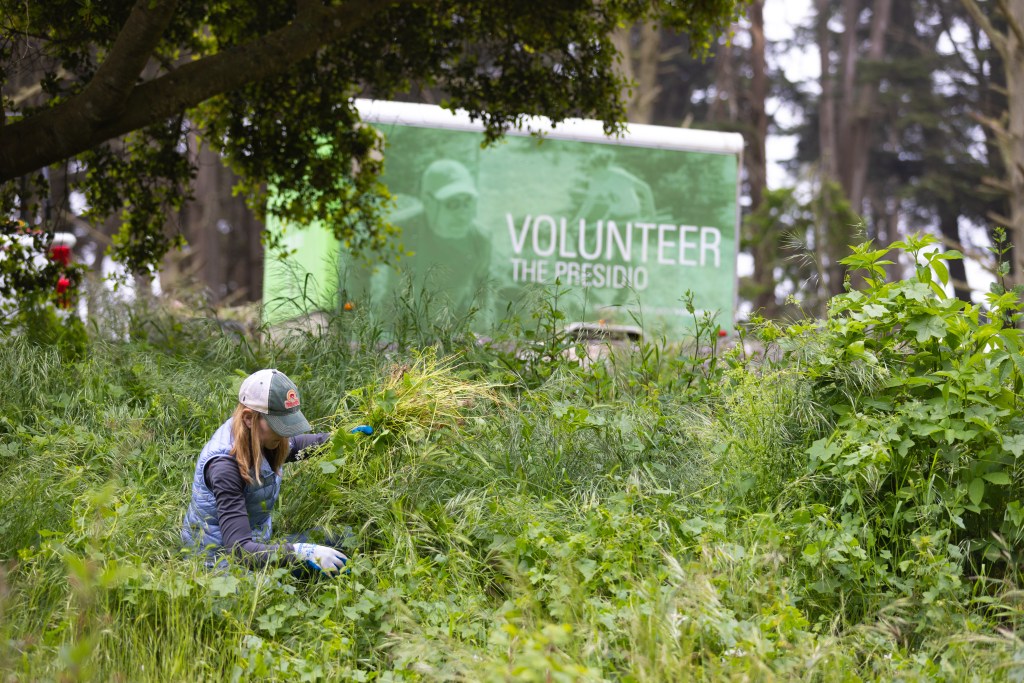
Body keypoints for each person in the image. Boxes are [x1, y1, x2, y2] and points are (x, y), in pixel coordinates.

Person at [181, 369, 348, 576]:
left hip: (258, 545)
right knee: (280, 592)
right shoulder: (225, 467)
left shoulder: (261, 437)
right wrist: (299, 552)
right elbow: (240, 551)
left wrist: (344, 439)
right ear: (249, 418)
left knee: (342, 538)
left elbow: (298, 446)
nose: (286, 433)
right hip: (221, 564)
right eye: (280, 425)